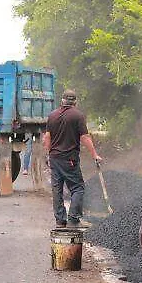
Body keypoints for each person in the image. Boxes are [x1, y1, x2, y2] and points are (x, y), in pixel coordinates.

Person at [44, 90, 101, 228]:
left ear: (62, 101)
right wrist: (95, 155)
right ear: (75, 102)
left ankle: (60, 221)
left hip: (54, 158)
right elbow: (85, 137)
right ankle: (73, 220)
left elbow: (47, 137)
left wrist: (48, 154)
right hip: (69, 159)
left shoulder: (52, 115)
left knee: (57, 189)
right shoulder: (78, 116)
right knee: (78, 188)